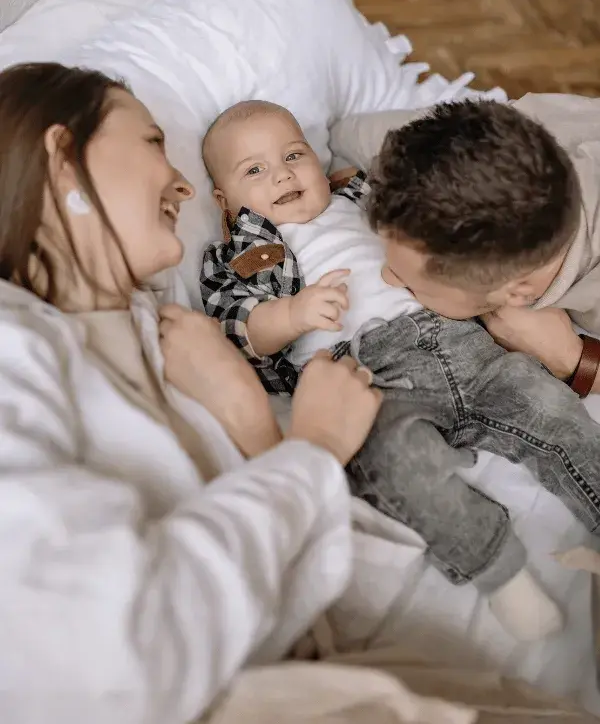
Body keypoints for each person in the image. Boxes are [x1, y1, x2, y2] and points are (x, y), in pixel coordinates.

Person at [0, 62, 387, 724]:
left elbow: (308, 606)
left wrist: (252, 420)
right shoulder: (12, 343)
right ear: (63, 156)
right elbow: (116, 660)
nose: (181, 183)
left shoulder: (171, 333)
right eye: (153, 143)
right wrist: (312, 448)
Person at [199, 99, 600, 643]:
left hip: (461, 343)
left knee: (548, 406)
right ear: (224, 200)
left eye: (294, 154)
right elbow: (236, 324)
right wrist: (290, 315)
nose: (282, 173)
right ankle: (500, 572)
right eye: (255, 170)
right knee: (394, 462)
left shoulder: (364, 195)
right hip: (370, 375)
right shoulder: (248, 250)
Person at [329, 95, 600, 397]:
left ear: (516, 293)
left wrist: (574, 360)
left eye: (419, 286)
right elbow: (343, 135)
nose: (388, 277)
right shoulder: (466, 140)